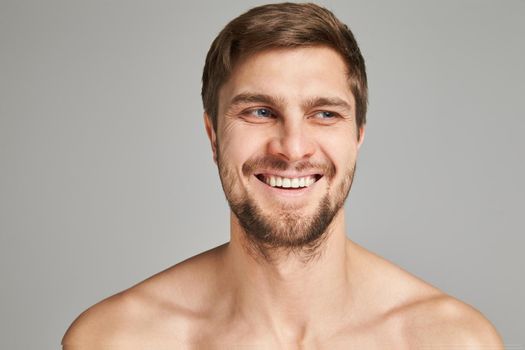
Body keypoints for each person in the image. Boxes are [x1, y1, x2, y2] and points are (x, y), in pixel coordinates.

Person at [62, 3, 503, 349]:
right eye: (259, 111)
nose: (292, 147)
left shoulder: (450, 341)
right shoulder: (117, 340)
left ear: (358, 138)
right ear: (213, 135)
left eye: (324, 114)